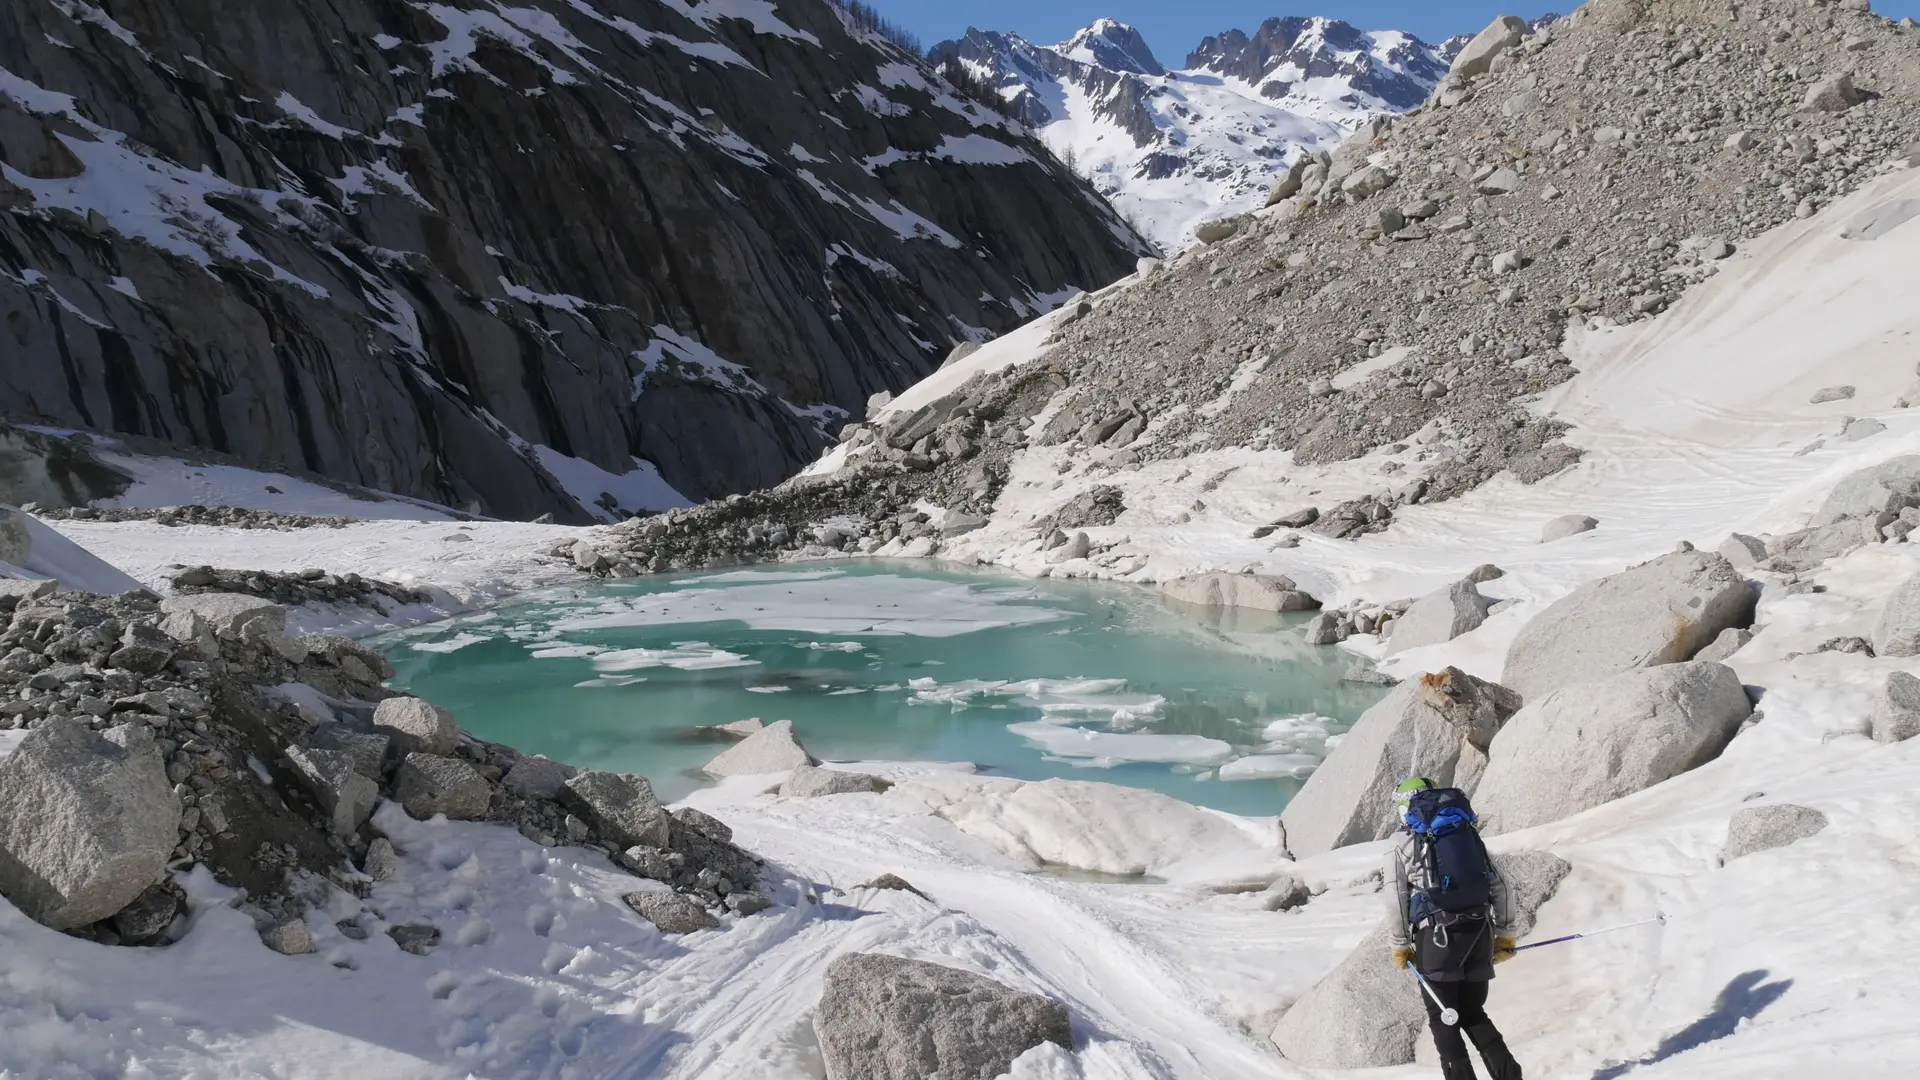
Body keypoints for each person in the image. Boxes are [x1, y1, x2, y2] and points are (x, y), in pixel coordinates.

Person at [1385, 777, 1524, 1080]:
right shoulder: (1465, 832)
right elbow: (1500, 886)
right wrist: (1505, 935)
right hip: (1479, 933)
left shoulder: (1401, 843)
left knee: (1443, 1017)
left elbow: (1395, 897)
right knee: (1473, 1012)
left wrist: (1400, 945)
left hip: (1437, 940)